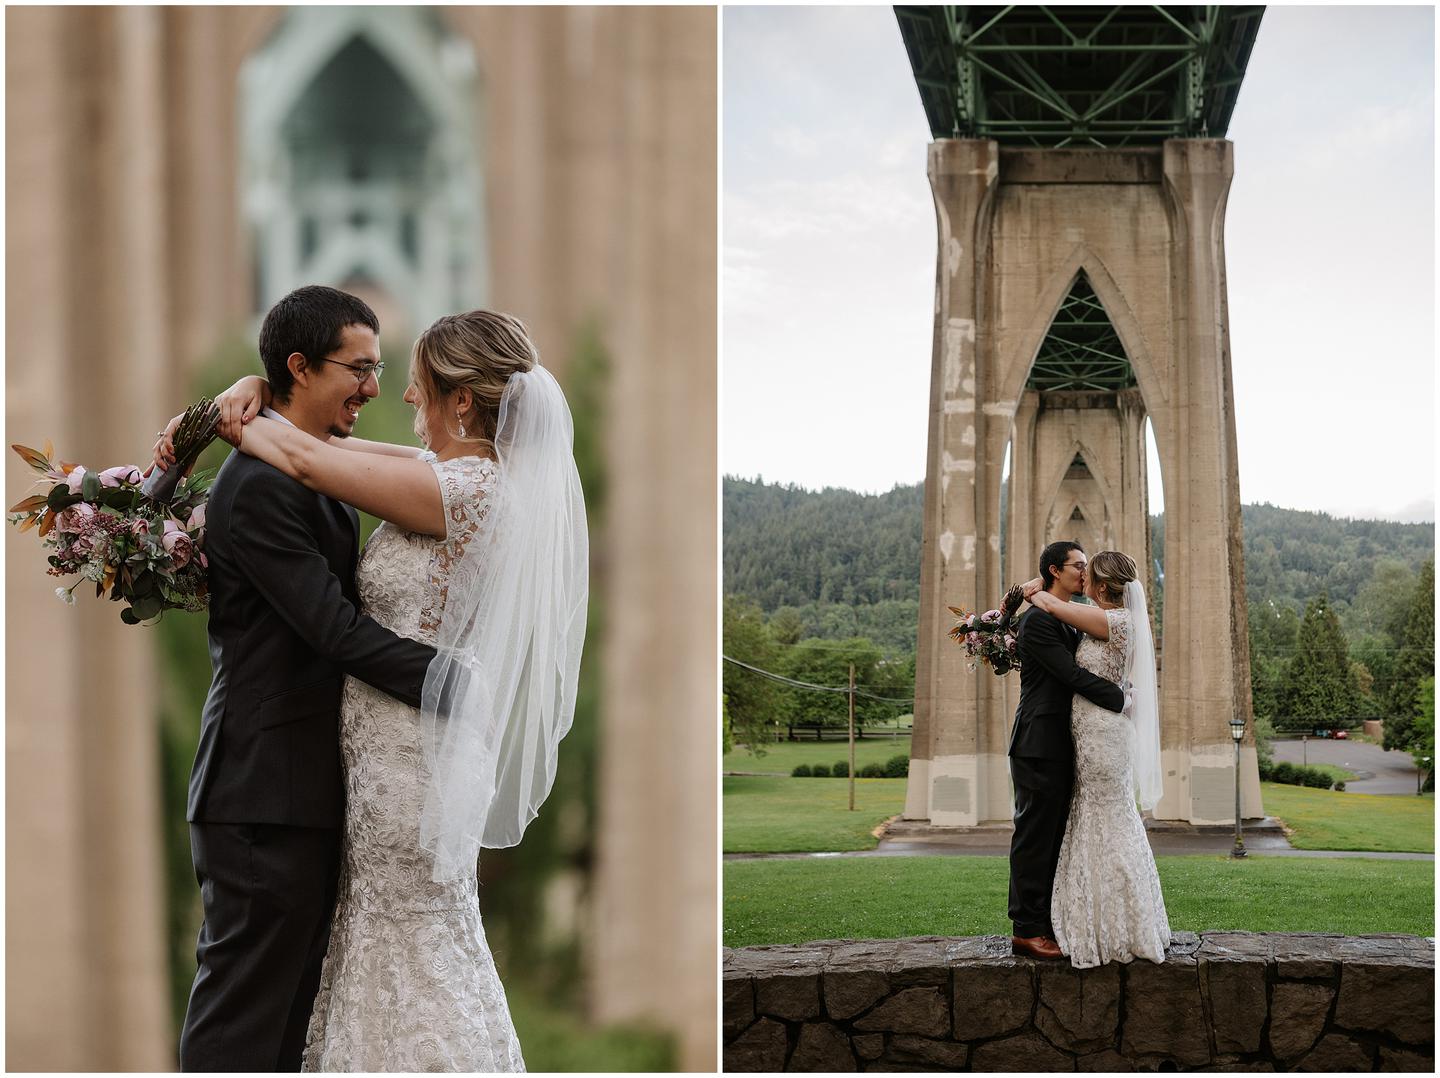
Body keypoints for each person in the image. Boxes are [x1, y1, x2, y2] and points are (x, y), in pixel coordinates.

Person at [160, 303, 587, 1070]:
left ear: (463, 399)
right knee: (382, 954)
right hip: (366, 760)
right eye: (367, 371)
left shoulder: (466, 491)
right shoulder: (464, 479)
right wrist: (251, 392)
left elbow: (308, 461)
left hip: (403, 757)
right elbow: (325, 453)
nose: (402, 398)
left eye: (415, 383)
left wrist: (229, 413)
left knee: (405, 943)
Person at [170, 285, 438, 1071]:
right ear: (298, 366)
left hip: (298, 792)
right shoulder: (257, 490)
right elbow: (334, 630)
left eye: (379, 367)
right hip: (261, 794)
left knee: (288, 1026)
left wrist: (244, 399)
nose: (374, 388)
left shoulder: (310, 472)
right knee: (244, 1023)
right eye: (358, 369)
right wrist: (458, 685)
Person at [1023, 550, 1170, 968]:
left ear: (1103, 587)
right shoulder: (1102, 616)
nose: (1083, 576)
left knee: (1107, 817)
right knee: (1095, 817)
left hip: (1103, 734)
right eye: (1079, 568)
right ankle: (1105, 918)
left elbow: (1052, 604)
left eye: (1089, 573)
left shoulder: (1114, 621)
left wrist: (1031, 589)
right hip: (1091, 732)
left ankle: (1116, 924)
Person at [1006, 540, 1129, 961]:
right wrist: (1120, 698)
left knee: (1057, 834)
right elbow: (1069, 674)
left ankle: (1048, 921)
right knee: (1035, 836)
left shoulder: (1068, 619)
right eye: (1078, 565)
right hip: (1039, 742)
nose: (1085, 572)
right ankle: (1026, 930)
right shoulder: (1038, 622)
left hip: (1065, 741)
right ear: (1055, 571)